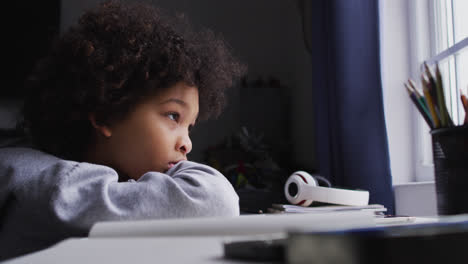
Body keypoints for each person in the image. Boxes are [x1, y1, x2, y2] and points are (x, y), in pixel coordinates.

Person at [0, 0, 245, 260]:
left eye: (190, 127)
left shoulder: (114, 187)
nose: (187, 144)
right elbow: (215, 199)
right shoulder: (52, 189)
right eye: (173, 116)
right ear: (107, 114)